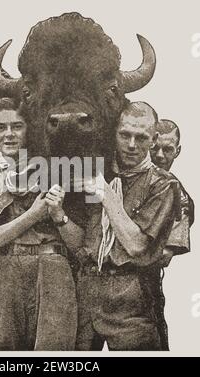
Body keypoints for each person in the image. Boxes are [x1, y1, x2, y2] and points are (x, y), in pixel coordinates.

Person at [0, 98, 82, 350]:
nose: (9, 134)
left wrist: (58, 214)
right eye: (1, 127)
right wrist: (34, 215)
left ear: (30, 129)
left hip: (53, 271)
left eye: (17, 126)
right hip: (2, 273)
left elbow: (79, 243)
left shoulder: (60, 171)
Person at [74, 102, 181, 351]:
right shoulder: (95, 173)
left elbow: (137, 247)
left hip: (132, 296)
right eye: (124, 135)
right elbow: (80, 242)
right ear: (114, 133)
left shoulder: (163, 185)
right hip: (86, 292)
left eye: (141, 137)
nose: (132, 145)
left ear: (154, 139)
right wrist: (58, 216)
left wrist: (105, 194)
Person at [149, 119, 194, 349]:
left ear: (177, 151)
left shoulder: (179, 197)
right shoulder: (119, 179)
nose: (158, 155)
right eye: (153, 147)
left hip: (145, 290)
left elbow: (164, 255)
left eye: (167, 149)